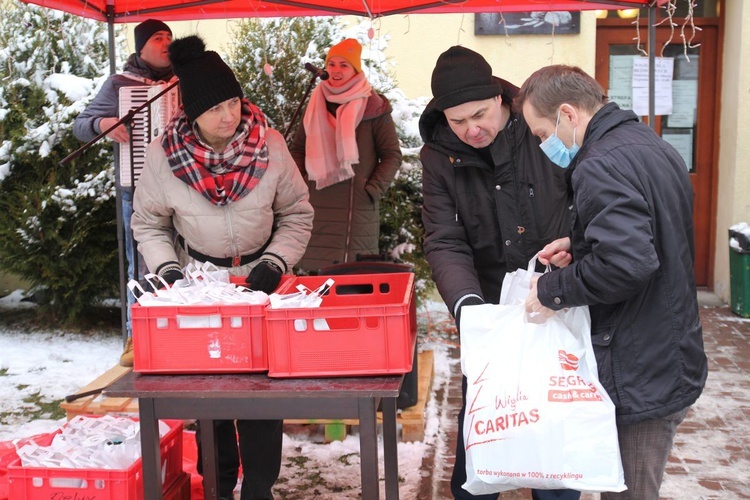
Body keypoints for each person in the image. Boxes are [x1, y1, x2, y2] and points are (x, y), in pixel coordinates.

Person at [132, 35, 314, 500]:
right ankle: (217, 484)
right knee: (210, 393)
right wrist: (171, 274)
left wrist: (276, 261)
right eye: (216, 109)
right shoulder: (163, 157)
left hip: (263, 282)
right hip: (201, 285)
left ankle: (259, 488)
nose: (229, 115)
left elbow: (297, 212)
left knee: (262, 393)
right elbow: (149, 224)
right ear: (193, 114)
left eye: (233, 102)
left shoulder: (269, 145)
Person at [517, 64, 708, 500]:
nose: (543, 143)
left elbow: (629, 263)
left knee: (630, 492)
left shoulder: (599, 162)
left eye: (542, 132)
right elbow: (653, 231)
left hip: (643, 366)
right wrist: (582, 242)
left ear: (568, 113)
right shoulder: (648, 144)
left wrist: (552, 291)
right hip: (667, 350)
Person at [419, 46, 579, 500]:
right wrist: (468, 307)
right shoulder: (437, 157)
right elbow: (445, 239)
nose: (471, 129)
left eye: (480, 114)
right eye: (456, 120)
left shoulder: (540, 129)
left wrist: (572, 257)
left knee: (555, 429)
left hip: (556, 300)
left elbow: (582, 201)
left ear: (501, 100)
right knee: (484, 425)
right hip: (488, 308)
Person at [73, 19, 175, 367]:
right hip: (139, 187)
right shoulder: (120, 83)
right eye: (158, 38)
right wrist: (104, 124)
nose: (166, 43)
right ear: (141, 46)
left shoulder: (188, 79)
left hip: (186, 187)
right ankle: (138, 336)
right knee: (142, 263)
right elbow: (81, 124)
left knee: (189, 261)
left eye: (169, 38)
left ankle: (180, 332)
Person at [290, 38, 402, 272]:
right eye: (332, 64)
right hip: (316, 204)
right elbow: (298, 149)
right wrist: (304, 183)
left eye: (344, 65)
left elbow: (392, 155)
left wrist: (371, 190)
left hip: (356, 210)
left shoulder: (374, 107)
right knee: (312, 284)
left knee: (348, 282)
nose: (336, 71)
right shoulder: (316, 102)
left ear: (355, 69)